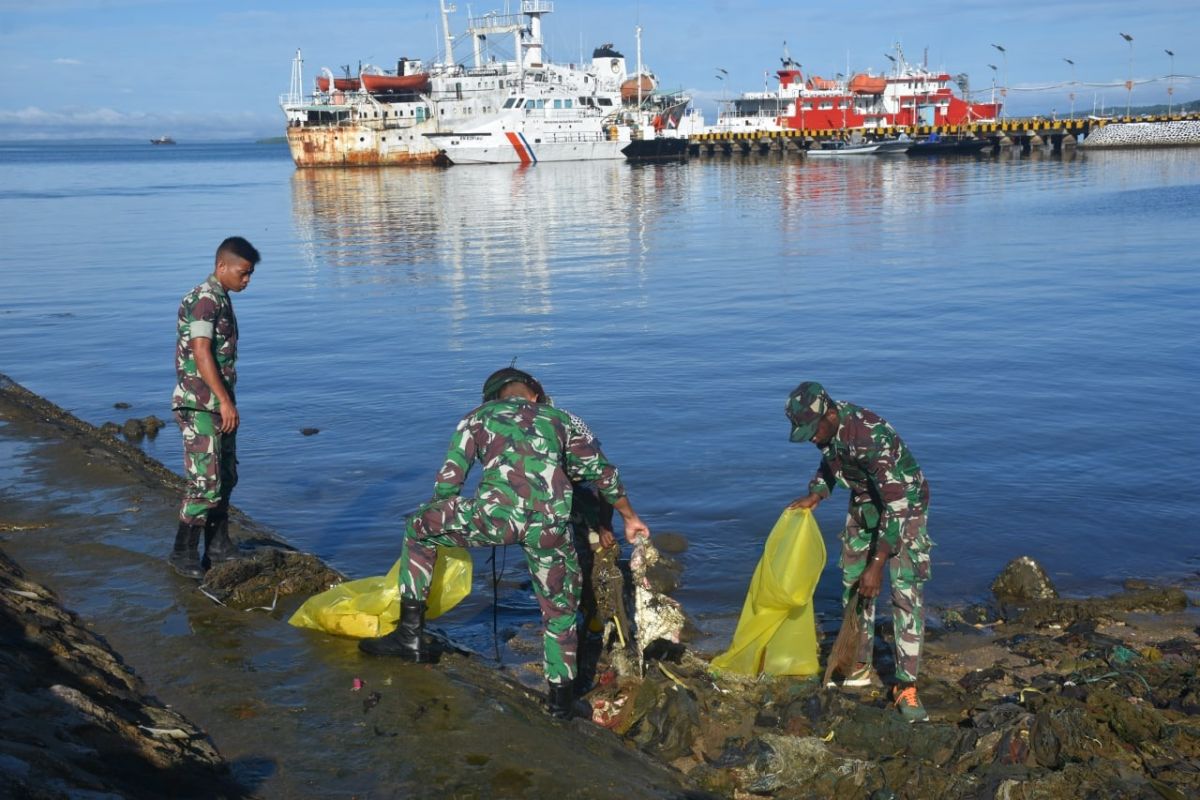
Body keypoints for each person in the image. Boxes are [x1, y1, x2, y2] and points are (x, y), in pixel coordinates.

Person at [360, 367, 650, 720]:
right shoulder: (561, 420)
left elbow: (448, 485)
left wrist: (444, 520)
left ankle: (409, 635)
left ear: (494, 399)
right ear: (533, 395)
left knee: (418, 528)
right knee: (559, 609)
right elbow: (605, 475)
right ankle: (561, 701)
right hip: (549, 525)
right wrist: (628, 518)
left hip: (493, 519)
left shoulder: (476, 419)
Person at [785, 381, 932, 723]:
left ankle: (906, 685)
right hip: (866, 502)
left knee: (904, 593)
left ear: (830, 414)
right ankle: (859, 663)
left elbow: (895, 508)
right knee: (854, 582)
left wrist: (878, 563)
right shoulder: (828, 432)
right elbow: (831, 465)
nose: (811, 438)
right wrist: (817, 494)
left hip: (904, 506)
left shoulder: (869, 436)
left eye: (812, 430)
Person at [168, 236, 259, 579]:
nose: (247, 280)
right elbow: (202, 351)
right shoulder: (205, 300)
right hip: (199, 404)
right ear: (222, 266)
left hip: (219, 406)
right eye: (243, 272)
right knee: (205, 483)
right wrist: (223, 401)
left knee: (227, 476)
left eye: (250, 274)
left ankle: (218, 545)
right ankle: (183, 552)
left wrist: (226, 403)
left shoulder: (221, 298)